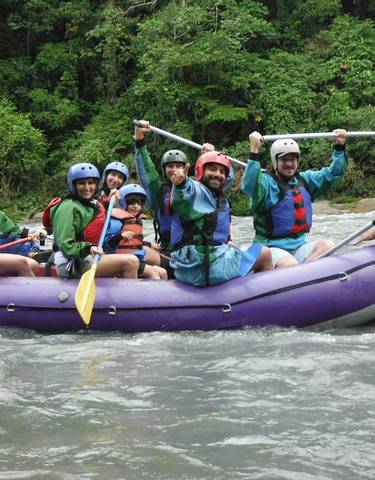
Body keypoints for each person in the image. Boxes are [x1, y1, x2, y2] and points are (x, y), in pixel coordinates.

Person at [241, 129, 348, 268]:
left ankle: (304, 276)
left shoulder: (306, 180)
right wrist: (254, 151)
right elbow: (250, 185)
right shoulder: (267, 184)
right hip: (270, 246)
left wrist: (339, 146)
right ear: (275, 162)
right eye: (284, 160)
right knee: (289, 263)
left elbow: (334, 173)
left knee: (328, 246)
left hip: (299, 245)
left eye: (292, 159)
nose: (289, 164)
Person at [169, 150, 272, 287]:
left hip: (191, 262)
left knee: (235, 250)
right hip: (203, 268)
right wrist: (180, 184)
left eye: (222, 171)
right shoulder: (195, 191)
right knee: (264, 254)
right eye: (212, 169)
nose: (218, 174)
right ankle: (264, 300)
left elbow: (227, 178)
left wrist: (211, 153)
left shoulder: (216, 194)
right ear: (200, 171)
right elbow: (183, 195)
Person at [51, 162, 139, 279]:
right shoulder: (68, 207)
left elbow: (98, 218)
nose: (87, 187)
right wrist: (88, 248)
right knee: (131, 261)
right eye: (82, 183)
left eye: (91, 183)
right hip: (71, 262)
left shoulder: (90, 203)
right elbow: (66, 246)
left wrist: (110, 202)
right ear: (73, 185)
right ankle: (130, 297)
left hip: (87, 256)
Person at [134, 120, 190, 276]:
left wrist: (209, 154)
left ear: (186, 168)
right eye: (170, 166)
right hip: (166, 250)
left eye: (178, 166)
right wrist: (139, 140)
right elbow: (146, 169)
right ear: (164, 170)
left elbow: (221, 181)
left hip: (191, 250)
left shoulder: (195, 189)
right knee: (141, 252)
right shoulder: (158, 190)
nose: (174, 170)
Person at [104, 184, 168, 280]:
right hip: (120, 260)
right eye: (132, 203)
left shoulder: (134, 220)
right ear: (123, 203)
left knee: (163, 272)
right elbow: (107, 243)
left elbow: (134, 241)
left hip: (135, 258)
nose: (136, 206)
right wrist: (120, 236)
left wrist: (150, 245)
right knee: (154, 274)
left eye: (139, 204)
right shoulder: (116, 220)